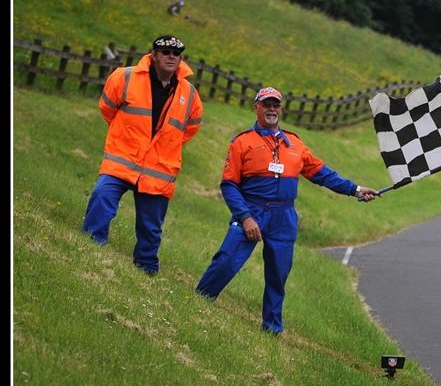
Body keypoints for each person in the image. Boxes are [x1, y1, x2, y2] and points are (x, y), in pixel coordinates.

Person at [196, 86, 379, 334]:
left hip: (284, 216)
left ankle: (272, 328)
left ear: (280, 109)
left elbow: (323, 175)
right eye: (266, 104)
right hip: (252, 210)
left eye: (276, 105)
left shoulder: (295, 144)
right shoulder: (242, 142)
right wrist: (246, 217)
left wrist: (355, 189)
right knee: (227, 260)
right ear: (256, 107)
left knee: (278, 274)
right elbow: (229, 185)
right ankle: (198, 302)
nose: (271, 109)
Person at [82, 35, 203, 275]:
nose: (171, 57)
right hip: (123, 160)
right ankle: (90, 245)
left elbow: (189, 129)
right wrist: (126, 136)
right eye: (166, 51)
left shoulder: (189, 94)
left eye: (176, 54)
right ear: (154, 55)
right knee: (102, 197)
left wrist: (162, 147)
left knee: (151, 228)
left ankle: (146, 268)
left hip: (159, 170)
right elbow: (107, 108)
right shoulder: (124, 77)